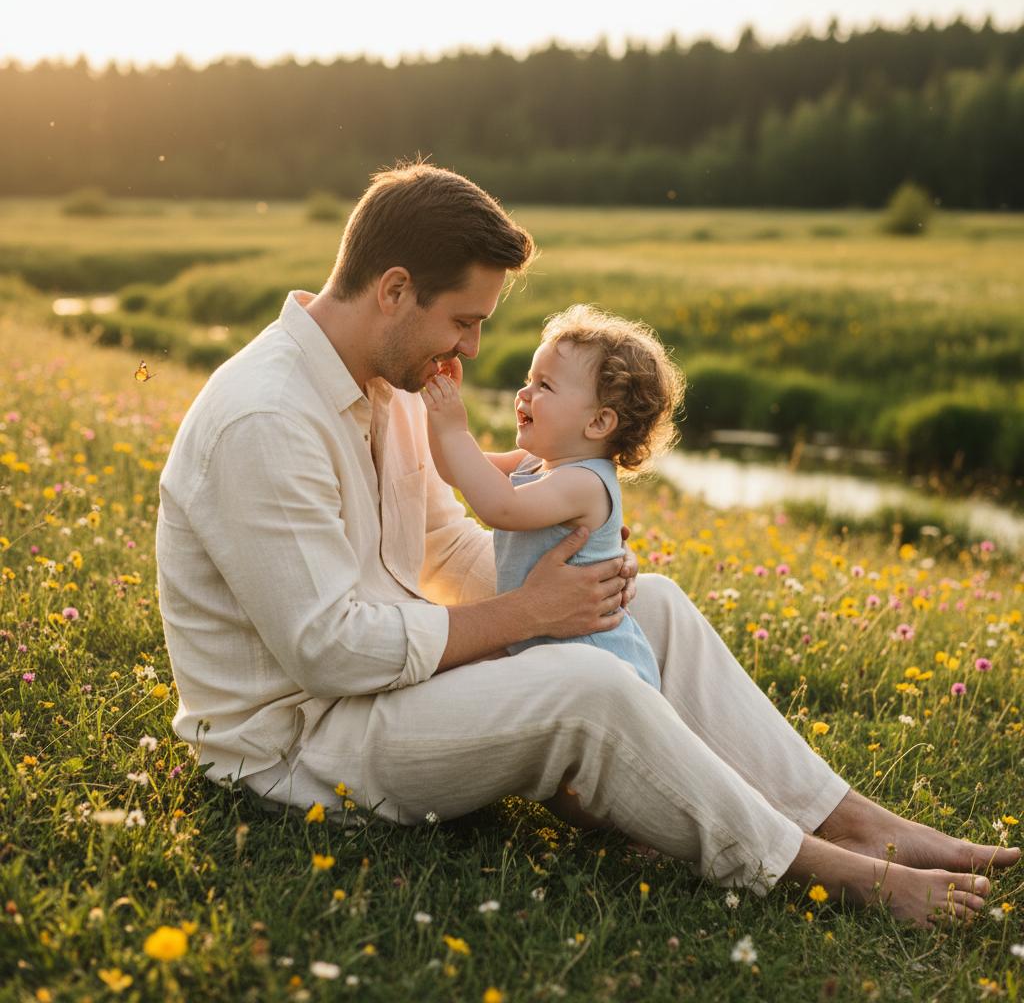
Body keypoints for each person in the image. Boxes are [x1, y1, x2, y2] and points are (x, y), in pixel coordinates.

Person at [156, 161, 1018, 928]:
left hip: (380, 698)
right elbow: (329, 652)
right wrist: (531, 613)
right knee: (589, 684)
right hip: (298, 751)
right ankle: (826, 870)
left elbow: (444, 550)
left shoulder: (387, 389)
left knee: (654, 607)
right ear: (392, 290)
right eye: (464, 319)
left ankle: (859, 822)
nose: (473, 347)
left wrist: (574, 569)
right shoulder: (267, 418)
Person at [421, 304, 685, 691]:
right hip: (545, 642)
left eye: (544, 386)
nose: (523, 393)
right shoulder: (535, 462)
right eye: (529, 379)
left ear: (598, 422)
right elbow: (453, 470)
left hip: (599, 659)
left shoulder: (584, 484)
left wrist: (456, 429)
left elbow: (501, 508)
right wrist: (436, 415)